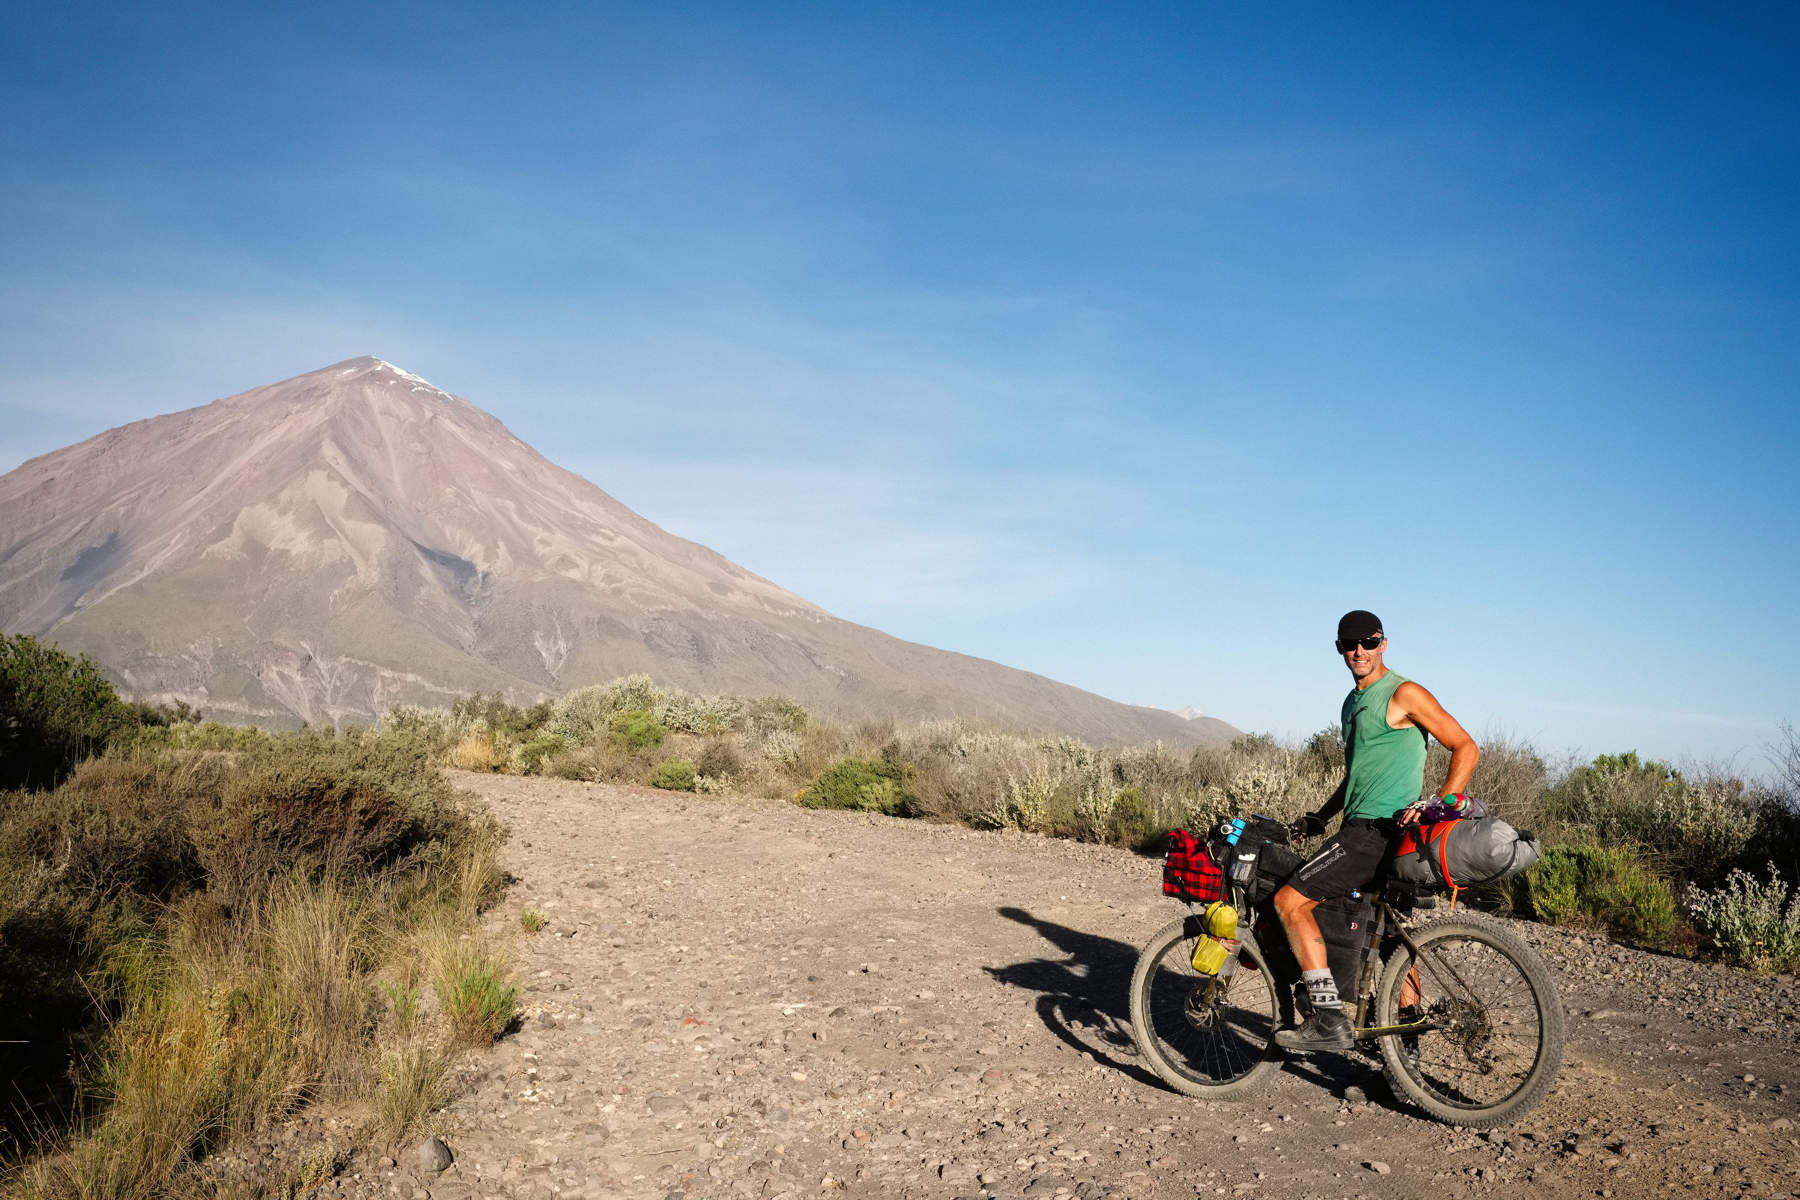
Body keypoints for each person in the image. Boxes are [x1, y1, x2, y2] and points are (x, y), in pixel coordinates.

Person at [1272, 609, 1480, 1052]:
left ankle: (1326, 1016)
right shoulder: (1351, 704)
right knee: (1389, 934)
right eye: (1350, 644)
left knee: (1289, 901)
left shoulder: (1404, 693)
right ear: (1339, 650)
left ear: (1384, 642)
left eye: (1368, 641)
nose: (1359, 651)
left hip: (1376, 833)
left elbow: (1465, 746)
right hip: (1361, 828)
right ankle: (1405, 1059)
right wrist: (1322, 815)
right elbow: (1356, 774)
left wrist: (1437, 804)